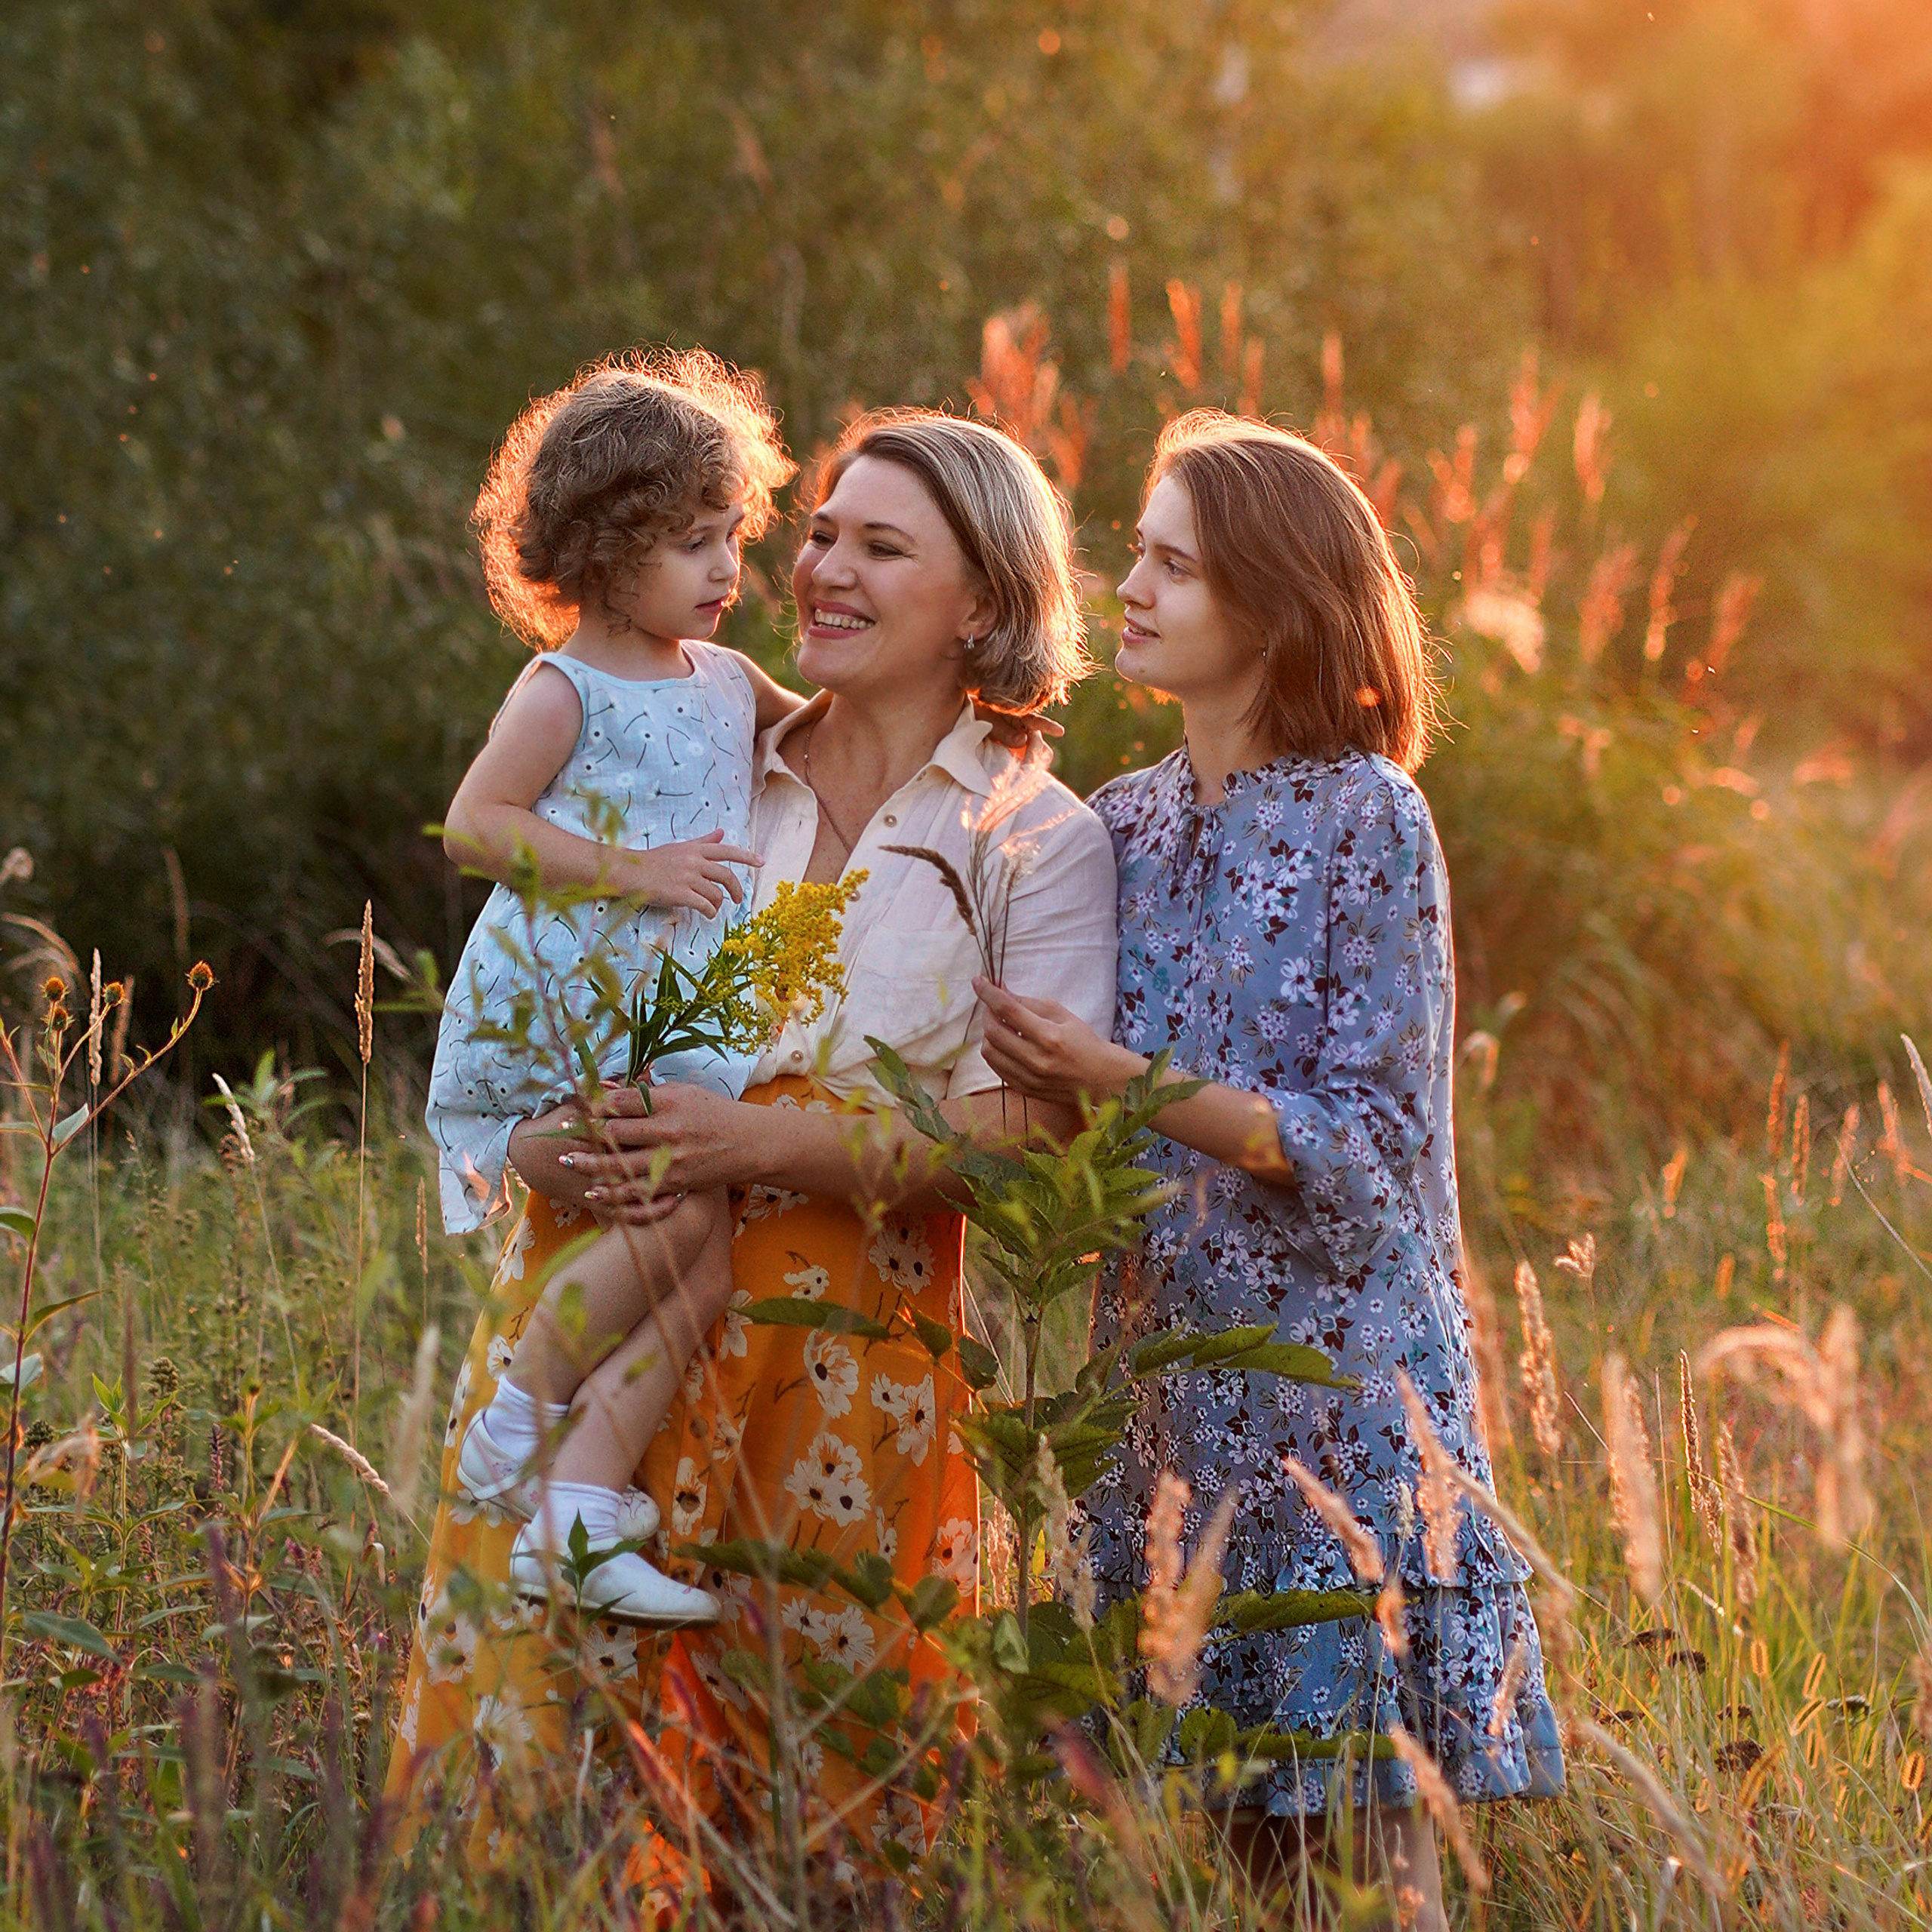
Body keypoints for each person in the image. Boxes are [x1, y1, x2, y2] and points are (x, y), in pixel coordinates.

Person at [387, 409, 1119, 1879]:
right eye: (822, 533)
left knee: (804, 1833)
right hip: (598, 1317)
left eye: (878, 545)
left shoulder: (1035, 835)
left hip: (840, 1378)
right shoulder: (714, 739)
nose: (818, 567)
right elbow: (546, 959)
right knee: (542, 1823)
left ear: (982, 597)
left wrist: (749, 1134)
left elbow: (1028, 1137)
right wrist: (536, 1143)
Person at [974, 411, 1564, 1928]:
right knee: (1224, 1867)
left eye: (1177, 563)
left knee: (1368, 1876)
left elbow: (1363, 1162)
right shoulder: (1117, 825)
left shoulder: (1370, 813)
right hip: (1169, 1416)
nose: (1134, 587)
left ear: (1272, 598)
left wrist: (1113, 1075)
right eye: (1138, 555)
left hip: (1340, 1419)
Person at [424, 348, 801, 1627]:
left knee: (699, 1259)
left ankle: (575, 1511)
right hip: (565, 1028)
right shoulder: (563, 689)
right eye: (694, 542)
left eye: (731, 537)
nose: (726, 570)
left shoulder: (731, 684)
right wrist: (631, 870)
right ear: (604, 546)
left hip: (667, 1031)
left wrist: (969, 721)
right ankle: (516, 1431)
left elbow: (832, 742)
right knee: (665, 1231)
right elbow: (479, 824)